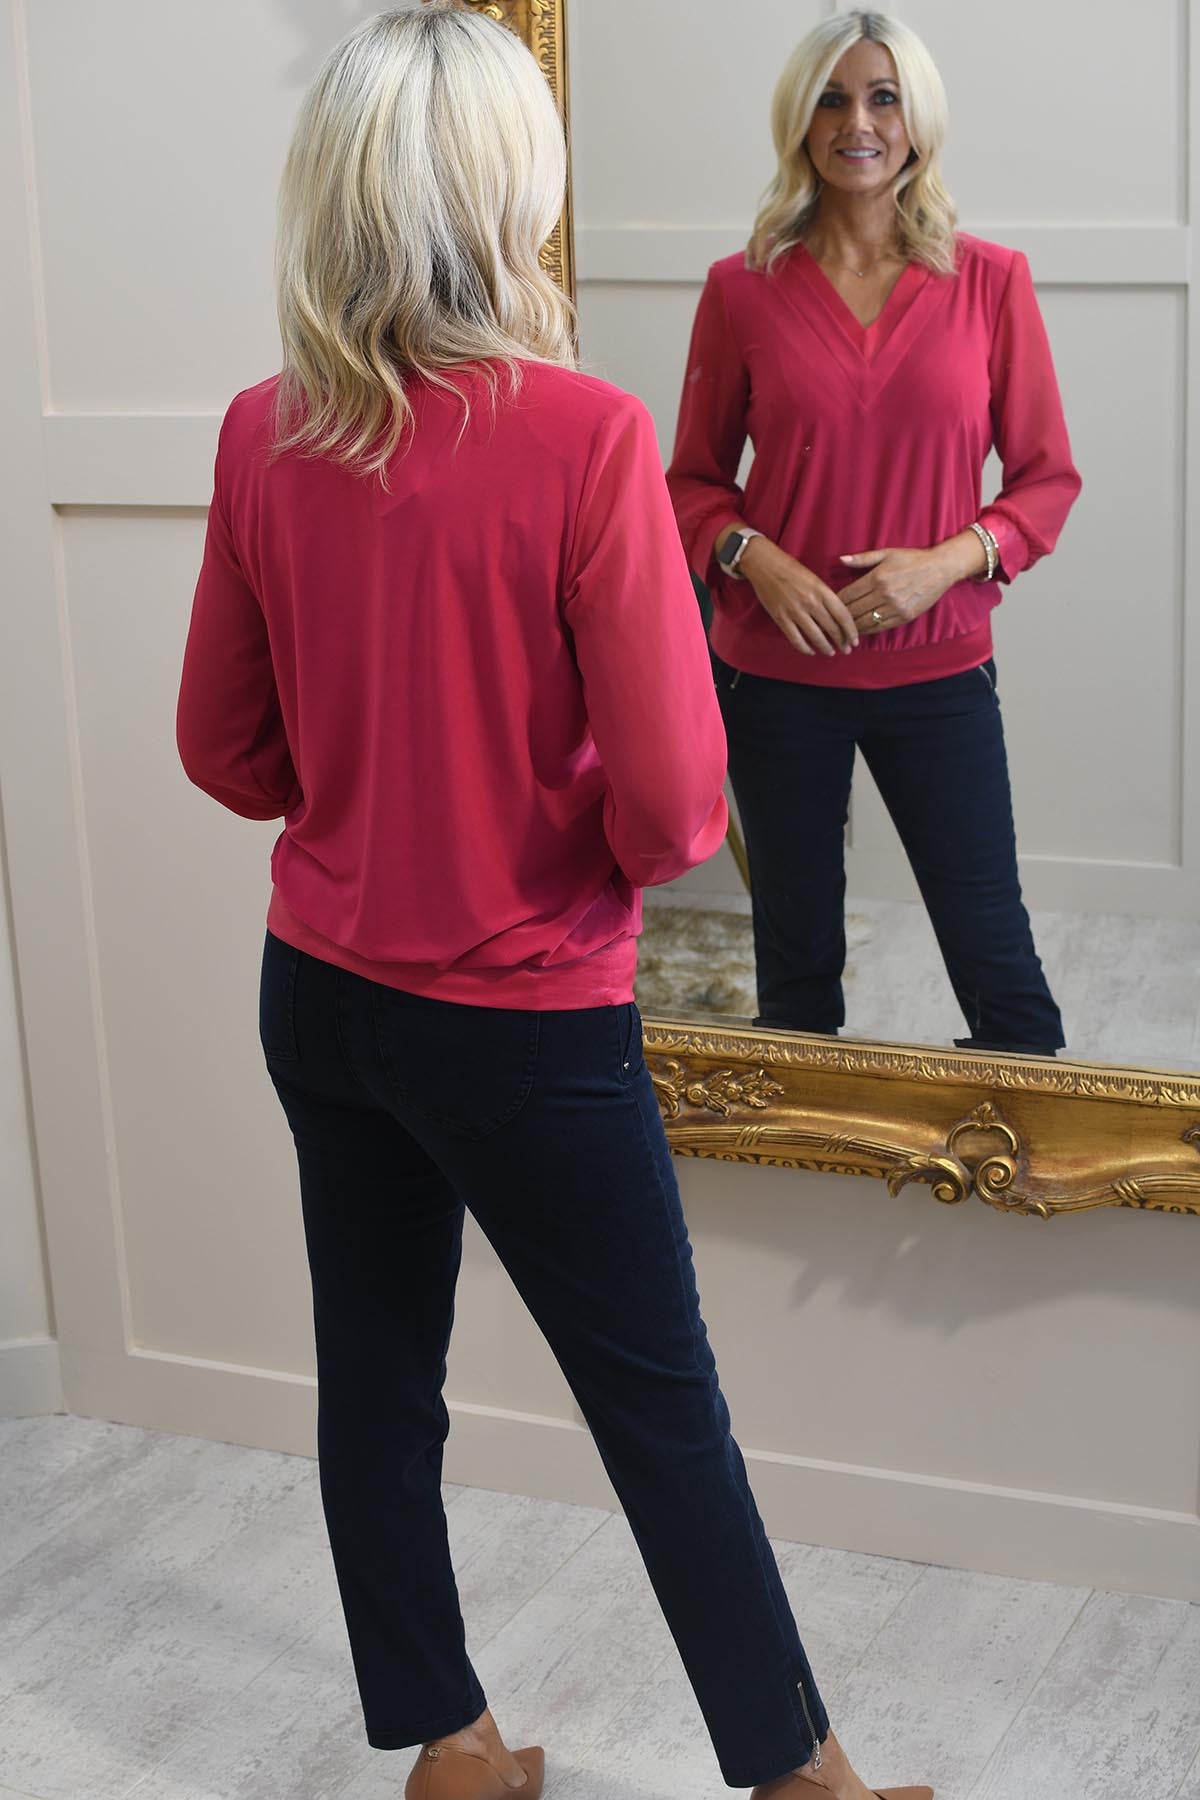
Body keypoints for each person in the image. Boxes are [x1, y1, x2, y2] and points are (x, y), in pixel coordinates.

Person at [177, 7, 933, 1798]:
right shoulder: (585, 436)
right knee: (661, 1410)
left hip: (324, 997)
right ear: (509, 187)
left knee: (377, 1384)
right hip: (523, 1020)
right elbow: (675, 816)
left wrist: (381, 794)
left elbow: (225, 749)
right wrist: (531, 821)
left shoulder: (262, 431)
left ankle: (448, 1748)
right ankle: (804, 1783)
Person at [667, 9, 1081, 1057]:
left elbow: (1046, 482)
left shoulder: (991, 281)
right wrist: (754, 558)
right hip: (773, 679)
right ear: (800, 122)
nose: (858, 122)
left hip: (940, 673)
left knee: (998, 965)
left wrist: (943, 566)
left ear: (917, 120)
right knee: (795, 968)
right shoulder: (740, 289)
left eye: (883, 98)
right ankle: (804, 1160)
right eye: (833, 99)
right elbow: (691, 486)